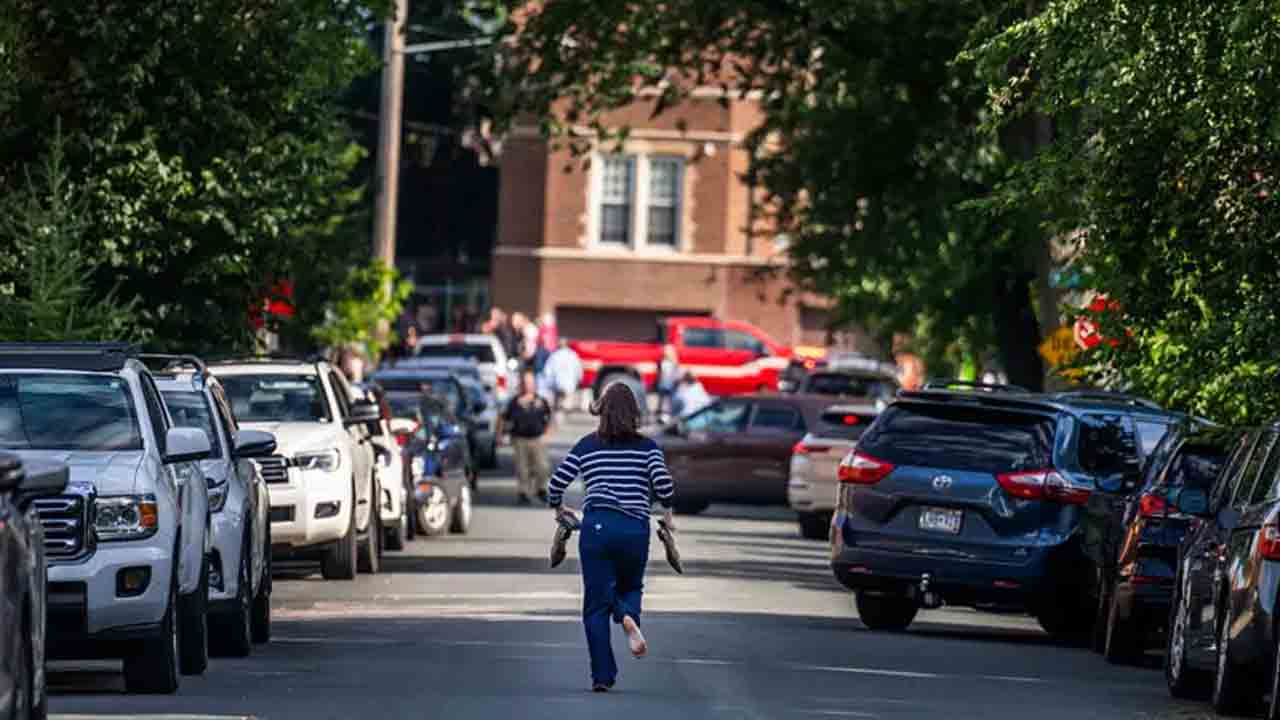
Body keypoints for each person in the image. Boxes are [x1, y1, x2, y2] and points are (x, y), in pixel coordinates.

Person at [547, 382, 676, 692]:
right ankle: (628, 615)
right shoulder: (648, 448)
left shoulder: (586, 445)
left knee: (595, 607)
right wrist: (667, 509)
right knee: (632, 585)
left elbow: (556, 484)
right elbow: (665, 487)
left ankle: (602, 676)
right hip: (634, 529)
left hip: (597, 529)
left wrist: (558, 507)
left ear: (600, 411)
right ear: (634, 413)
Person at [498, 369, 553, 504]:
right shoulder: (514, 402)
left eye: (530, 382)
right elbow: (502, 418)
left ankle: (541, 489)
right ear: (521, 384)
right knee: (522, 468)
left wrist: (547, 433)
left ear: (534, 384)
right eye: (525, 382)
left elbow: (550, 418)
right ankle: (523, 492)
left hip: (537, 439)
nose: (528, 385)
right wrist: (499, 435)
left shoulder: (541, 401)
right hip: (519, 439)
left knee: (542, 467)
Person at [543, 339, 583, 420]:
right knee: (566, 405)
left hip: (558, 384)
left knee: (558, 406)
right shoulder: (573, 355)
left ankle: (559, 420)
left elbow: (547, 372)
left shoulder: (554, 355)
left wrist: (549, 385)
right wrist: (578, 381)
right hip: (570, 384)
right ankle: (565, 420)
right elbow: (579, 370)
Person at [656, 344, 680, 422]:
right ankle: (661, 416)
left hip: (669, 384)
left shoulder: (673, 362)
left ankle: (665, 417)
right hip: (664, 384)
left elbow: (675, 374)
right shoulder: (663, 361)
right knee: (662, 401)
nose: (665, 352)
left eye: (666, 351)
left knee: (667, 401)